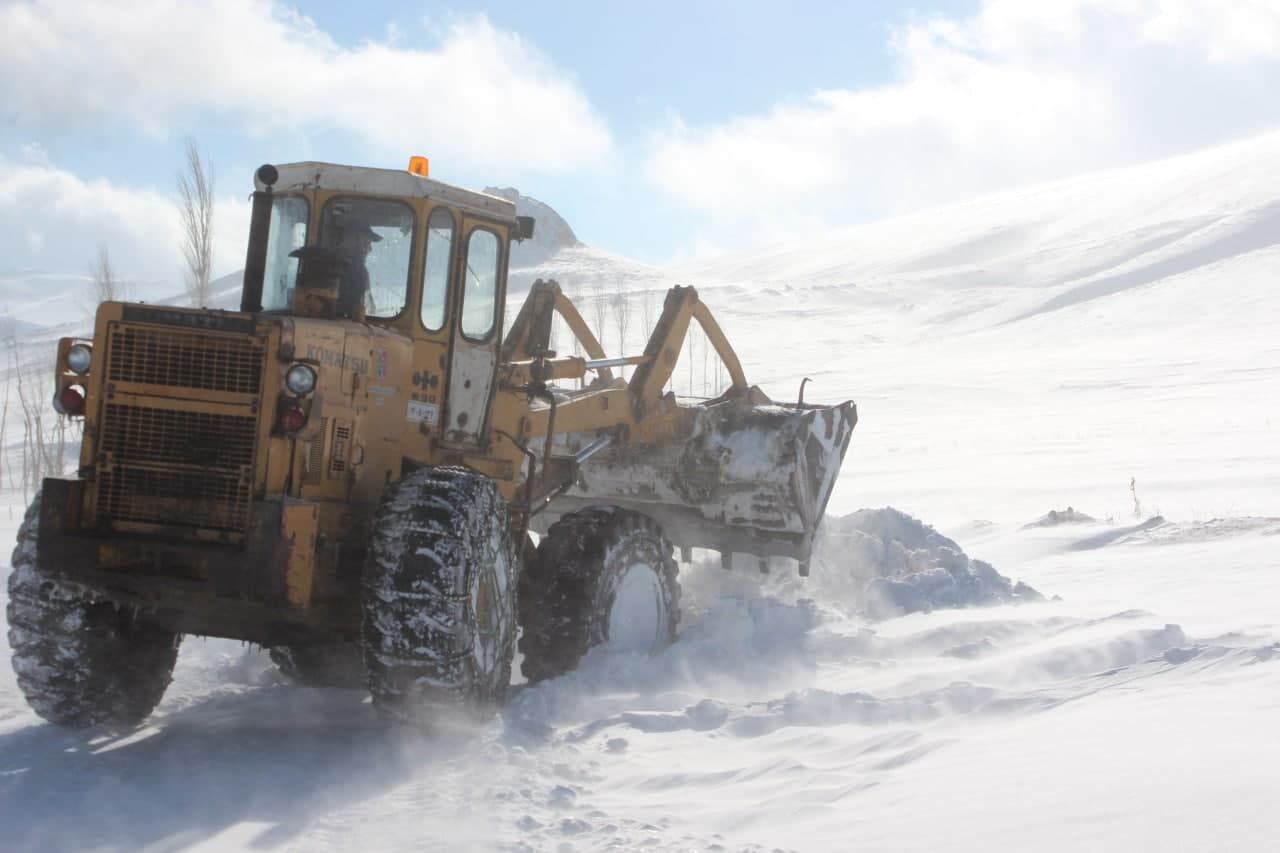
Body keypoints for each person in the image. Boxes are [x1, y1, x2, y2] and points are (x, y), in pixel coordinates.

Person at [333, 219, 381, 318]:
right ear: (351, 241)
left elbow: (368, 309)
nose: (369, 249)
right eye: (366, 243)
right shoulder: (332, 267)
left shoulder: (361, 271)